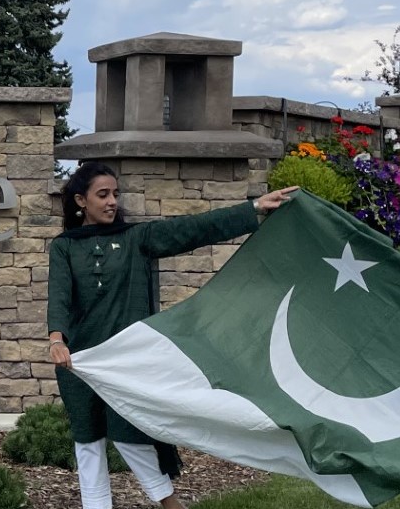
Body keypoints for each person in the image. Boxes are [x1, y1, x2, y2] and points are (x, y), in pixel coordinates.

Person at [45, 161, 298, 509]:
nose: (112, 202)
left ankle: (170, 504)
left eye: (116, 194)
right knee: (88, 445)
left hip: (126, 360)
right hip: (80, 361)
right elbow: (58, 295)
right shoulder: (64, 247)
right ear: (80, 201)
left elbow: (192, 229)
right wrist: (57, 340)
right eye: (102, 195)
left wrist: (252, 209)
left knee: (130, 437)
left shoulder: (136, 238)